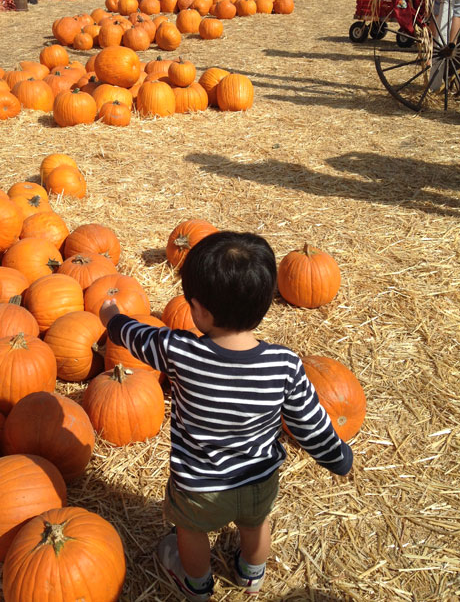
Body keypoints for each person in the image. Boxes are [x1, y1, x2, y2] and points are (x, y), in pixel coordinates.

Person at [100, 232, 353, 601]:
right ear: (266, 302)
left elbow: (139, 336)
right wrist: (337, 456)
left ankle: (197, 583)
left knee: (190, 531)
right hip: (258, 478)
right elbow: (310, 424)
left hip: (199, 483)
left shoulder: (179, 351)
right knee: (256, 525)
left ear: (199, 311)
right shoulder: (284, 365)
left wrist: (114, 319)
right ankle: (251, 573)